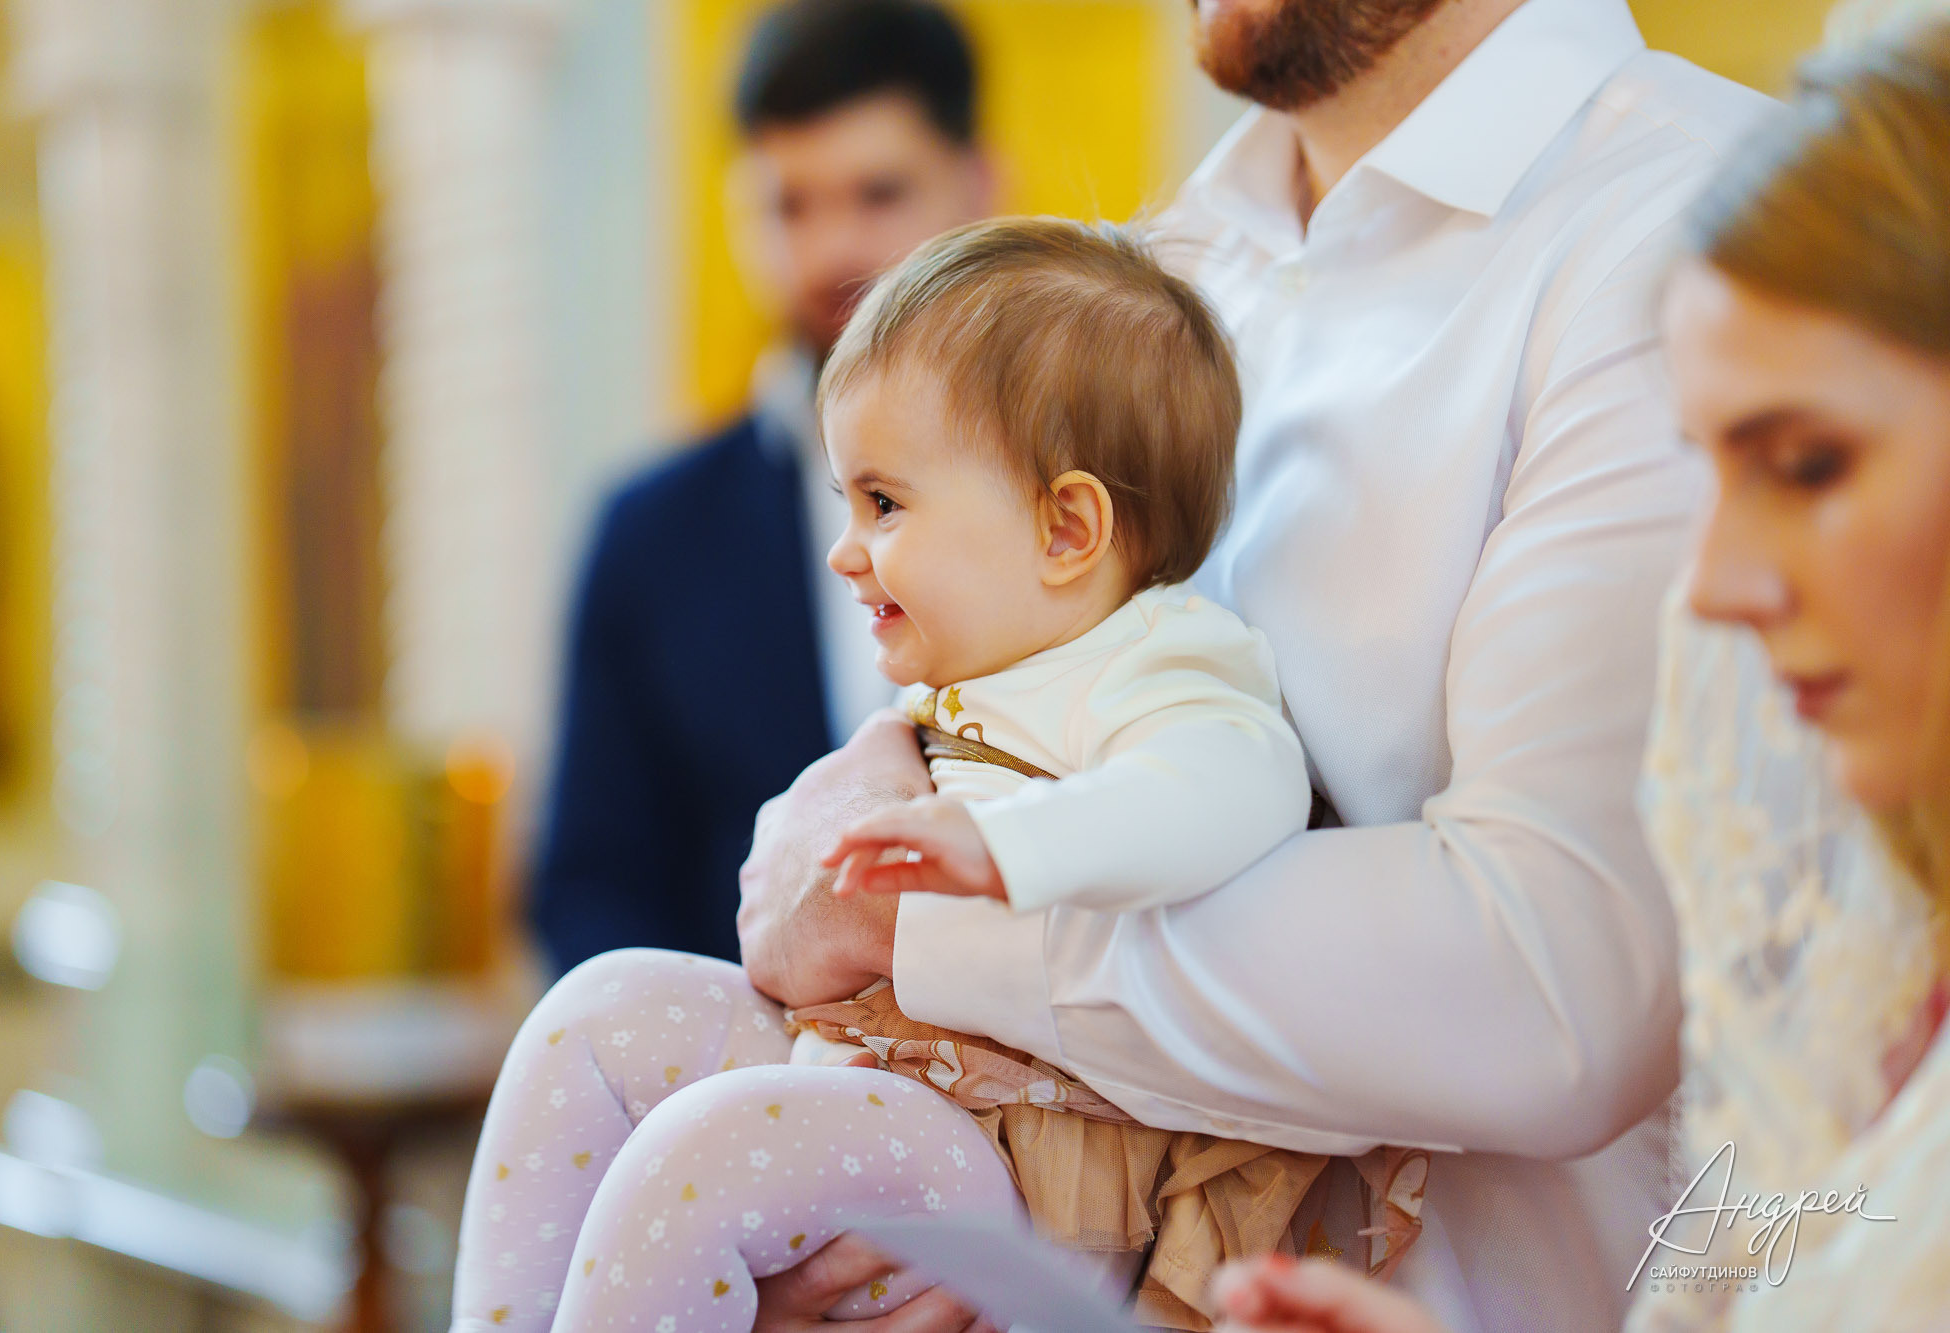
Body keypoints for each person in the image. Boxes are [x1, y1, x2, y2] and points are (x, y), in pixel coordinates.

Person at [738, 0, 1771, 1327]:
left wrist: (923, 921)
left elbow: (1554, 984)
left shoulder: (1696, 226)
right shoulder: (1168, 259)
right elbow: (1008, 702)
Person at [451, 217, 1435, 1333]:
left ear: (1066, 528)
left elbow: (1228, 794)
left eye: (883, 502)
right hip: (884, 1077)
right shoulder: (973, 677)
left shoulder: (1160, 661)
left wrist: (1008, 845)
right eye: (845, 503)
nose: (845, 548)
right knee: (593, 1011)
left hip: (1017, 1158)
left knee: (697, 1153)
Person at [1209, 14, 1950, 1332]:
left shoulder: (1642, 204)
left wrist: (966, 924)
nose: (1713, 585)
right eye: (1713, 466)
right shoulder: (1878, 979)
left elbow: (1551, 977)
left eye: (1811, 465)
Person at [533, 0, 994, 974]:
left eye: (876, 193)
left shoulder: (1098, 487)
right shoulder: (648, 535)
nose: (831, 251)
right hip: (733, 1095)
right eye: (790, 204)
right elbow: (589, 887)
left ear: (980, 182)